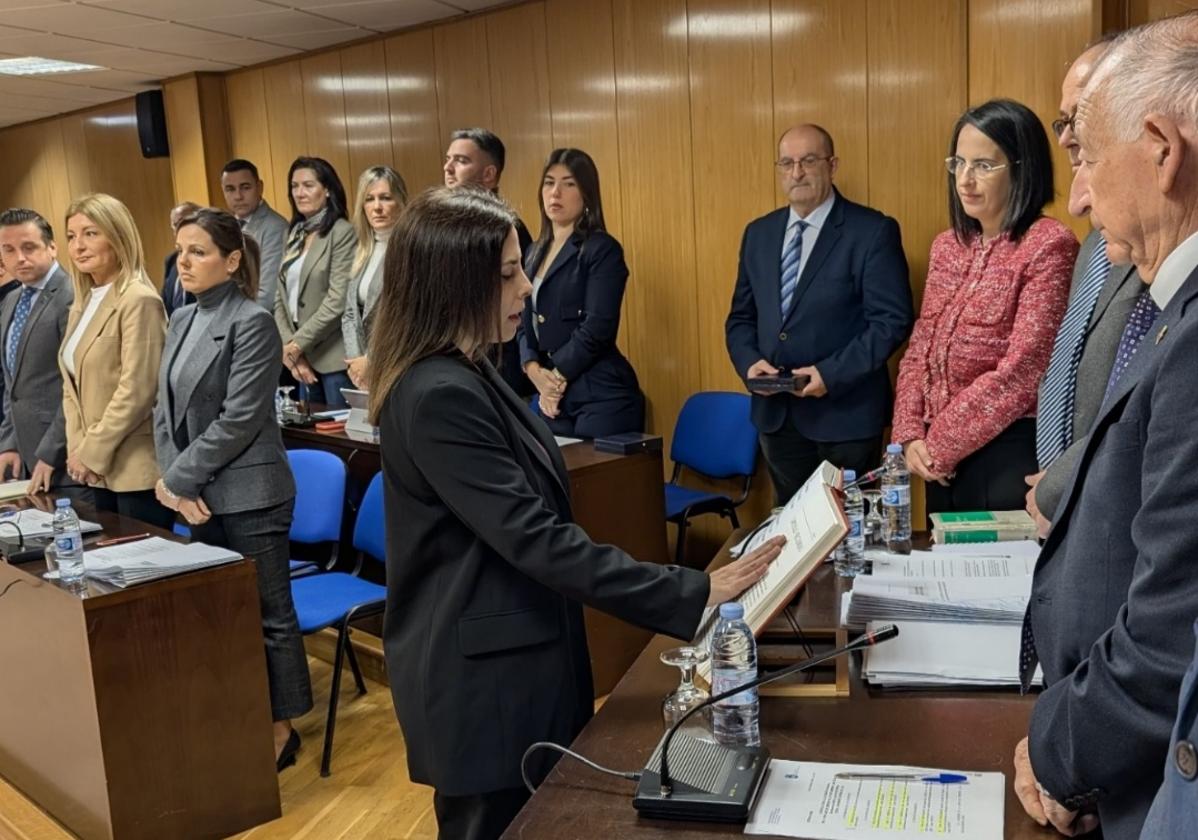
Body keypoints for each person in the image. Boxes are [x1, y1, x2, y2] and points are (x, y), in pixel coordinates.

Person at [369, 187, 784, 840]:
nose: (527, 287)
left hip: (522, 662)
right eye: (508, 273)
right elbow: (539, 542)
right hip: (483, 689)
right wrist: (695, 588)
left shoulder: (470, 368)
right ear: (454, 281)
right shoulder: (436, 395)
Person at [1013, 12, 1198, 838]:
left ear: (1161, 147)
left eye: (1084, 155)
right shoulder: (1172, 309)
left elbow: (1171, 641)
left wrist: (1059, 754)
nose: (1078, 193)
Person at [153, 207, 313, 771]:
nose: (184, 262)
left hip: (252, 493)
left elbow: (241, 418)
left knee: (269, 614)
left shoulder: (252, 321)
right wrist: (175, 483)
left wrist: (177, 478)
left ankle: (281, 727)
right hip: (198, 493)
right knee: (224, 616)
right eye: (180, 251)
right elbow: (162, 410)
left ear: (232, 260)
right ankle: (242, 712)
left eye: (198, 251)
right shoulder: (180, 317)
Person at [891, 99, 1076, 513]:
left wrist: (940, 442)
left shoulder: (1048, 245)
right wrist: (909, 435)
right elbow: (920, 346)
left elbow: (1026, 368)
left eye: (984, 165)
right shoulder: (948, 245)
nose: (965, 180)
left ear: (1021, 167)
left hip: (1004, 450)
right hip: (935, 459)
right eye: (958, 163)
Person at [725, 124, 914, 504]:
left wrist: (830, 373)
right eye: (787, 163)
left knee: (850, 536)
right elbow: (741, 317)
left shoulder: (872, 231)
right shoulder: (758, 233)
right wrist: (749, 363)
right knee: (792, 532)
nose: (797, 173)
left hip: (845, 418)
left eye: (808, 161)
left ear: (832, 165)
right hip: (776, 417)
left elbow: (891, 322)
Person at [1026, 37, 1143, 536]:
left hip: (1111, 498)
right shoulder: (1096, 241)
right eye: (1064, 121)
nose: (1068, 137)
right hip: (1065, 486)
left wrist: (1060, 484)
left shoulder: (1153, 246)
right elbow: (1069, 361)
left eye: (1081, 119)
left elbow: (1130, 399)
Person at [58, 193, 172, 528]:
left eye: (90, 233)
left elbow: (137, 390)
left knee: (144, 572)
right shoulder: (82, 302)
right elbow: (71, 386)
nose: (78, 245)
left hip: (133, 469)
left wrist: (92, 452)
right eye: (71, 236)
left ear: (118, 236)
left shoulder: (139, 300)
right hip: (95, 468)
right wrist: (79, 450)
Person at [518, 149, 642, 437]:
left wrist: (555, 380)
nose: (555, 192)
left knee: (595, 479)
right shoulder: (532, 252)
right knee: (555, 477)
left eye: (568, 183)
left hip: (600, 392)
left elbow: (598, 327)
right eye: (549, 183)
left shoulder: (602, 249)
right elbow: (522, 322)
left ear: (586, 193)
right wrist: (533, 370)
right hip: (552, 394)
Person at [444, 127, 534, 397]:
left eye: (461, 160)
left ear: (489, 174)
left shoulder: (505, 229)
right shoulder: (444, 227)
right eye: (448, 159)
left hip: (498, 359)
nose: (448, 168)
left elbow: (520, 300)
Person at [0, 208, 74, 496]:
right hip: (25, 458)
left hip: (66, 460)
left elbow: (76, 388)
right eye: (9, 250)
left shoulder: (70, 296)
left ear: (52, 247)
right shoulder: (12, 300)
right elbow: (12, 384)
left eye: (29, 247)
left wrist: (51, 451)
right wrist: (9, 442)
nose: (19, 257)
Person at [274, 156, 356, 409]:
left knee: (341, 439)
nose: (300, 193)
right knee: (309, 437)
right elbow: (280, 297)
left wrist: (296, 345)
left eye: (308, 185)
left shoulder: (342, 232)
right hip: (300, 358)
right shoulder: (295, 233)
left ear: (328, 189)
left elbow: (338, 300)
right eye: (294, 186)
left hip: (332, 357)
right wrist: (291, 349)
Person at [342, 165, 408, 390]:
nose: (377, 207)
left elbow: (404, 315)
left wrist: (371, 359)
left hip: (398, 363)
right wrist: (356, 364)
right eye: (369, 199)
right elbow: (350, 312)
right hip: (364, 371)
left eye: (385, 198)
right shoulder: (361, 250)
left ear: (400, 200)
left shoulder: (409, 250)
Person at [221, 158, 289, 312]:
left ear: (260, 187)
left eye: (245, 187)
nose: (238, 196)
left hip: (257, 324)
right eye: (230, 189)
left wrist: (235, 325)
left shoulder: (275, 228)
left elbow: (268, 295)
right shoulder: (226, 228)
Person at [161, 201, 200, 318]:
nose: (179, 228)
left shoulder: (206, 258)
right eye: (175, 224)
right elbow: (165, 302)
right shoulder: (171, 260)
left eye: (184, 222)